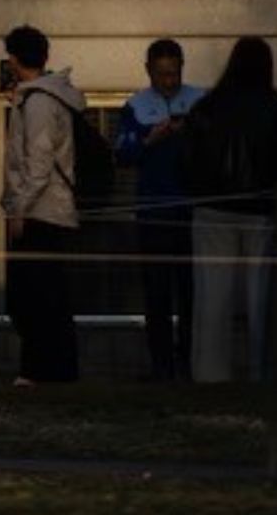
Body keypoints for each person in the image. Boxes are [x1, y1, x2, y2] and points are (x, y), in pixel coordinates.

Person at [183, 37, 277, 384]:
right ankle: (271, 369)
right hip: (260, 209)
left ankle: (209, 370)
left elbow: (187, 161)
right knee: (265, 295)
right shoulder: (272, 108)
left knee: (211, 296)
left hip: (212, 209)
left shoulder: (206, 106)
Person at [114, 38, 206, 381]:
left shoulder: (199, 101)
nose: (168, 80)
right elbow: (122, 155)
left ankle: (189, 362)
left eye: (174, 73)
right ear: (148, 71)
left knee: (190, 293)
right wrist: (150, 140)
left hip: (190, 210)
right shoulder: (136, 106)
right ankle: (161, 365)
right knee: (156, 294)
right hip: (152, 211)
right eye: (161, 74)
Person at [0, 25, 85, 386]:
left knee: (35, 297)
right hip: (51, 209)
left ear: (16, 59)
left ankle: (38, 369)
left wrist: (19, 208)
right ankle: (56, 369)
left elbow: (38, 164)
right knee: (49, 297)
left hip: (41, 211)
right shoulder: (48, 97)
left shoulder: (38, 102)